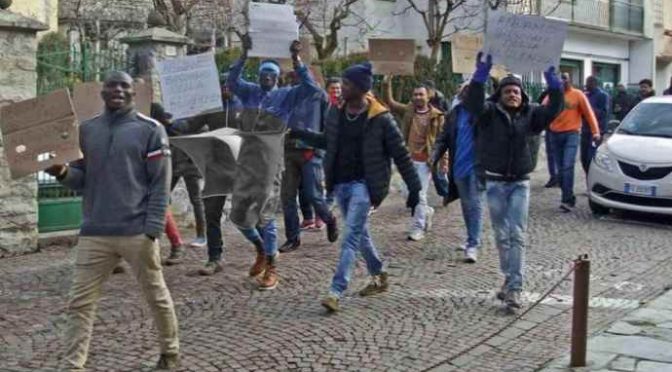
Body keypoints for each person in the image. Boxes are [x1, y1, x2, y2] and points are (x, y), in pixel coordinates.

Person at [45, 71, 179, 370]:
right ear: (102, 92)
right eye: (111, 85)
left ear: (134, 93)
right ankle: (72, 364)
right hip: (95, 231)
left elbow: (160, 184)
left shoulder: (151, 130)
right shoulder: (88, 130)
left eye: (124, 85)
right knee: (79, 303)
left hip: (137, 231)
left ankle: (170, 354)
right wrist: (61, 172)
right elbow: (82, 180)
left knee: (155, 295)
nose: (118, 89)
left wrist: (152, 230)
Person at [289, 62, 421, 312]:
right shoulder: (336, 113)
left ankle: (336, 290)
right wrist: (300, 134)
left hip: (366, 186)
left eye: (347, 84)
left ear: (360, 89)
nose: (341, 88)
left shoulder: (382, 119)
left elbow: (401, 156)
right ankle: (379, 274)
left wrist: (415, 190)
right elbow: (327, 141)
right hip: (341, 184)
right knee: (360, 234)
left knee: (350, 236)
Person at [226, 37, 330, 290]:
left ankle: (272, 265)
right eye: (263, 73)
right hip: (246, 161)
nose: (267, 78)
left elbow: (312, 88)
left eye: (272, 74)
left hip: (271, 162)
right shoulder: (249, 92)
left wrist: (297, 61)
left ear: (278, 77)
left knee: (265, 215)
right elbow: (231, 81)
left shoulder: (286, 96)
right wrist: (244, 53)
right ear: (258, 76)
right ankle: (261, 248)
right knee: (238, 216)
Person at [464, 54, 563, 309]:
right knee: (501, 235)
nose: (512, 94)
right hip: (495, 183)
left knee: (517, 234)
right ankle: (509, 281)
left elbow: (554, 109)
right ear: (500, 95)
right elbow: (473, 102)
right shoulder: (487, 113)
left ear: (522, 95)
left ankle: (515, 288)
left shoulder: (532, 115)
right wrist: (480, 75)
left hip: (520, 183)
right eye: (507, 91)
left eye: (516, 91)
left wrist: (553, 82)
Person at [178, 73, 242, 276]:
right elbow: (188, 126)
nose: (225, 88)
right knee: (211, 213)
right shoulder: (210, 109)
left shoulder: (246, 104)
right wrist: (171, 119)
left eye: (228, 84)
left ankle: (265, 253)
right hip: (216, 168)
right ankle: (215, 258)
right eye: (221, 85)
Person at [279, 71, 338, 253]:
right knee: (287, 197)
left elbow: (327, 127)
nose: (294, 83)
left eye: (298, 78)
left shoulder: (319, 96)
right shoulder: (286, 97)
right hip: (289, 152)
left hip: (310, 153)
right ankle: (292, 238)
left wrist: (321, 149)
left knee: (314, 195)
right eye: (292, 79)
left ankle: (329, 219)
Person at [383, 75, 446, 241]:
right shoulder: (409, 111)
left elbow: (442, 140)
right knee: (406, 192)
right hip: (408, 160)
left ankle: (418, 227)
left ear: (428, 96)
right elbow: (390, 102)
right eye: (415, 94)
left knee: (419, 194)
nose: (418, 97)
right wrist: (387, 83)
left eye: (421, 94)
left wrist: (443, 162)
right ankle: (427, 212)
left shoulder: (437, 116)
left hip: (425, 161)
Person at [432, 82, 485, 263]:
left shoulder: (483, 113)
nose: (467, 94)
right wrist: (435, 156)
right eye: (465, 91)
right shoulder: (455, 113)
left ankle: (473, 244)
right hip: (459, 166)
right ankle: (472, 236)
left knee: (475, 204)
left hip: (477, 167)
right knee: (466, 204)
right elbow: (444, 138)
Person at [547, 73, 600, 212]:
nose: (562, 80)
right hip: (554, 134)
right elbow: (542, 110)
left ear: (569, 80)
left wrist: (595, 132)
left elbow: (589, 113)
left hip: (572, 134)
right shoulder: (552, 95)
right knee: (560, 170)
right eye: (559, 78)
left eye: (564, 78)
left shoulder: (578, 94)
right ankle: (568, 197)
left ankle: (567, 200)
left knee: (567, 166)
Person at [582, 76, 610, 174]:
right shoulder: (586, 95)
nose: (586, 85)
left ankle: (593, 180)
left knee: (591, 157)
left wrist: (588, 110)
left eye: (588, 82)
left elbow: (604, 113)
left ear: (594, 83)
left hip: (597, 132)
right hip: (585, 130)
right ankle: (589, 179)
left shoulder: (603, 95)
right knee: (583, 158)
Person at [536, 89, 559, 188]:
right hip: (550, 127)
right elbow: (540, 103)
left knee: (558, 155)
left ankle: (558, 177)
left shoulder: (563, 95)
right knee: (551, 154)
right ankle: (554, 177)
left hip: (560, 128)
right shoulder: (548, 94)